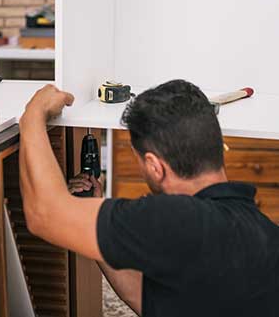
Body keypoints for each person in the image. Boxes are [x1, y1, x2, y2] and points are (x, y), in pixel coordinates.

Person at [19, 80, 279, 317]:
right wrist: (95, 223)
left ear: (155, 166)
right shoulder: (264, 233)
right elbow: (148, 298)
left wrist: (33, 116)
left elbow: (44, 214)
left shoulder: (176, 219)